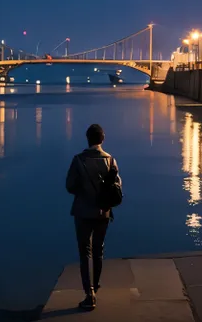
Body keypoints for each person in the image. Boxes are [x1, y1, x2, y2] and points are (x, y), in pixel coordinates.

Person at [65, 124, 122, 310]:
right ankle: (95, 287)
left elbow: (70, 186)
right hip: (103, 212)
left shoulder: (78, 160)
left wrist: (83, 190)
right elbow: (117, 187)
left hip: (83, 211)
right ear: (102, 139)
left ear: (87, 139)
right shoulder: (111, 160)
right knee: (99, 251)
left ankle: (89, 294)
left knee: (85, 253)